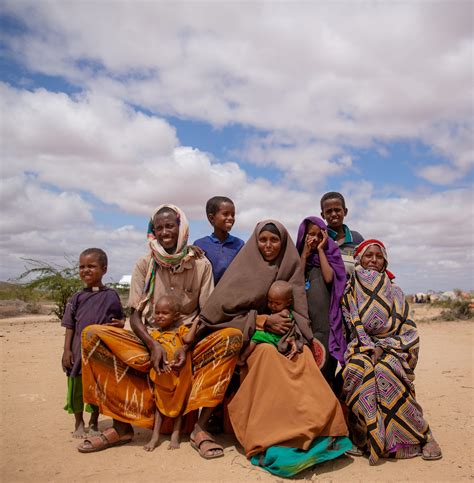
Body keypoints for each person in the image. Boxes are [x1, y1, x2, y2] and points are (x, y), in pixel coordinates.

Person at [78, 205, 242, 459]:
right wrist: (153, 345)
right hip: (149, 341)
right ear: (152, 231)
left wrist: (186, 345)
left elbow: (206, 313)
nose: (165, 232)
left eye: (170, 226)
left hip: (188, 341)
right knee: (92, 335)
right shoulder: (145, 264)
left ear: (181, 228)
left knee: (231, 337)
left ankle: (200, 429)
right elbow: (134, 314)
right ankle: (121, 427)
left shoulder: (200, 264)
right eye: (159, 227)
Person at [199, 220, 351, 477]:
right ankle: (273, 437)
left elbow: (299, 312)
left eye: (274, 240)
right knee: (268, 357)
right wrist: (262, 320)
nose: (268, 245)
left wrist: (296, 337)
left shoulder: (290, 267)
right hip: (253, 339)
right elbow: (219, 315)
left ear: (284, 243)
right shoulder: (242, 269)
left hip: (288, 337)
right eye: (263, 240)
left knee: (301, 358)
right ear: (255, 242)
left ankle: (319, 434)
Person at [342, 239, 442, 465]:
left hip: (392, 346)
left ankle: (422, 435)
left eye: (378, 256)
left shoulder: (395, 291)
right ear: (359, 259)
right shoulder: (350, 290)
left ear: (385, 260)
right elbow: (350, 325)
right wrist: (367, 347)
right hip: (360, 346)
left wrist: (385, 346)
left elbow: (408, 329)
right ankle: (364, 438)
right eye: (369, 256)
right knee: (359, 370)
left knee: (387, 370)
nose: (373, 260)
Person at [61, 248, 124, 438]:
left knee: (97, 388)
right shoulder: (77, 298)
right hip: (78, 351)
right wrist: (66, 351)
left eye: (91, 266)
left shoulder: (111, 295)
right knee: (77, 388)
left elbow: (119, 319)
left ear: (104, 269)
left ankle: (94, 422)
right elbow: (70, 326)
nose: (85, 270)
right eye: (81, 267)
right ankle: (79, 422)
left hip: (100, 352)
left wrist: (121, 323)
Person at [144, 295, 200, 452]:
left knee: (179, 406)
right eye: (157, 312)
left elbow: (189, 339)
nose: (159, 316)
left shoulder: (180, 331)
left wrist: (195, 322)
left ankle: (175, 435)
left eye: (164, 313)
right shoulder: (154, 335)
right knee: (159, 407)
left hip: (180, 377)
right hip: (163, 377)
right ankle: (155, 437)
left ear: (176, 316)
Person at [296, 217, 346, 386]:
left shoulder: (330, 252)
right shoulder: (299, 256)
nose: (315, 238)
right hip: (304, 319)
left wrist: (321, 250)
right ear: (304, 235)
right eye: (311, 234)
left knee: (325, 367)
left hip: (325, 321)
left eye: (320, 235)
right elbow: (297, 280)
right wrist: (304, 255)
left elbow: (329, 277)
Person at [238, 280, 297, 365]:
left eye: (277, 303)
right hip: (273, 335)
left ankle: (242, 358)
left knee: (256, 336)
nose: (273, 306)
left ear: (288, 302)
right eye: (270, 301)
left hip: (276, 338)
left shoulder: (285, 312)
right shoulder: (279, 309)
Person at [193, 196, 245, 285]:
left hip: (231, 295)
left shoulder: (239, 244)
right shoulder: (200, 245)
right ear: (211, 218)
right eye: (225, 214)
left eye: (233, 215)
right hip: (208, 296)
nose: (231, 218)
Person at [320, 192, 364, 275]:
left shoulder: (357, 238)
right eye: (329, 211)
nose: (333, 214)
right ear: (323, 215)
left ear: (345, 211)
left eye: (337, 210)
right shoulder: (320, 238)